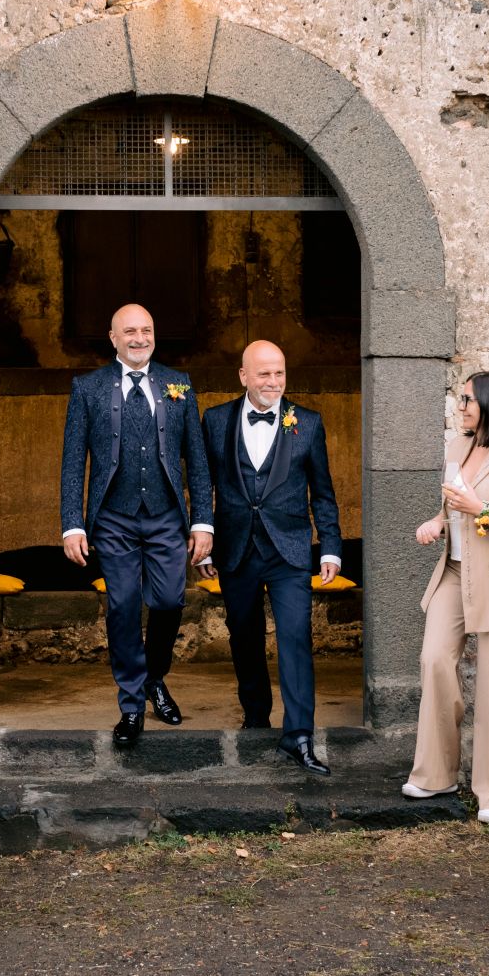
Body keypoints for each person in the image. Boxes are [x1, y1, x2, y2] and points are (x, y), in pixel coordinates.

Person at [60, 303, 214, 747]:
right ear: (113, 338)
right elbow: (73, 462)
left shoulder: (177, 384)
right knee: (124, 606)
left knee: (168, 601)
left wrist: (202, 520)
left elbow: (197, 461)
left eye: (146, 330)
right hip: (113, 518)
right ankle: (131, 707)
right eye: (130, 331)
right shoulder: (87, 388)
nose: (139, 338)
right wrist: (73, 524)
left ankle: (153, 678)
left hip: (167, 515)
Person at [197, 341, 343, 773]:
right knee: (243, 636)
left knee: (295, 637)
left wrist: (330, 546)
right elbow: (202, 485)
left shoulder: (309, 423)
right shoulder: (216, 419)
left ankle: (299, 735)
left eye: (279, 373)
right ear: (244, 376)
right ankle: (256, 718)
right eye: (264, 374)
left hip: (291, 551)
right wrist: (203, 535)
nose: (274, 383)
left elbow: (324, 493)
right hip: (235, 548)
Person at [406, 372, 489, 825]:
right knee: (435, 661)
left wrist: (482, 511)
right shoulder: (456, 448)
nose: (460, 404)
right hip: (453, 572)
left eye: (467, 398)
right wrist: (436, 523)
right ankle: (437, 773)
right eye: (459, 397)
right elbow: (450, 510)